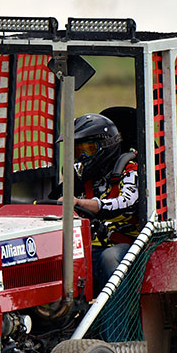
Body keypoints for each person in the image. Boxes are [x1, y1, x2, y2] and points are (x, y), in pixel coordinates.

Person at [59, 112, 140, 292]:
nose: (82, 157)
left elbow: (126, 202)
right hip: (93, 244)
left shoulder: (130, 170)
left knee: (109, 257)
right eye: (77, 151)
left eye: (87, 150)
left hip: (131, 245)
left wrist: (81, 203)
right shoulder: (82, 178)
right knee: (61, 258)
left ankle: (119, 311)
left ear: (106, 146)